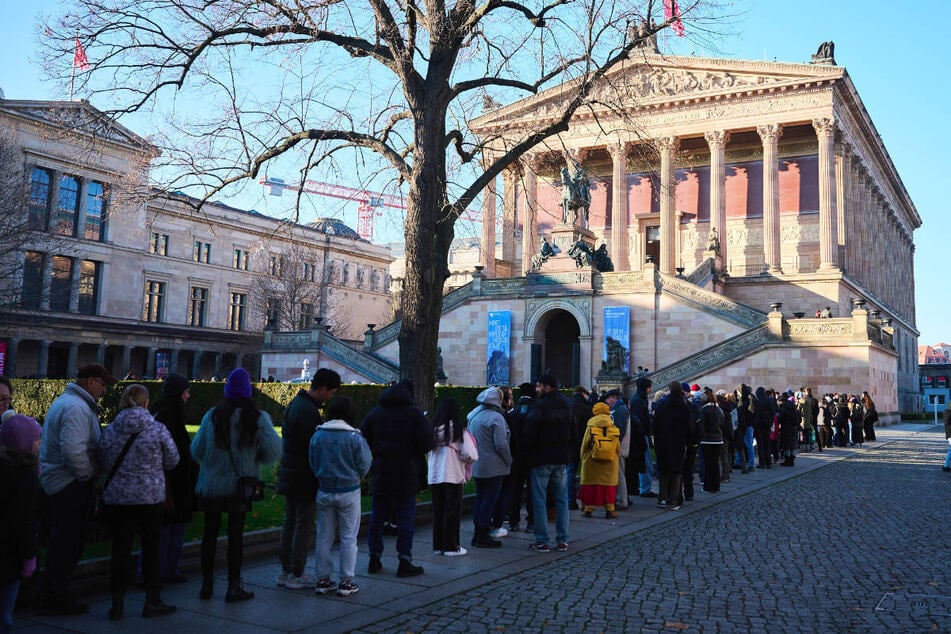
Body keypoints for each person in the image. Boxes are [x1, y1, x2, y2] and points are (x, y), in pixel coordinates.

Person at [191, 368, 281, 603]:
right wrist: (252, 459)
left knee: (209, 534)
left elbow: (196, 450)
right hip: (240, 485)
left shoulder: (212, 415)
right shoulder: (257, 418)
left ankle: (206, 584)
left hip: (211, 484)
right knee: (235, 536)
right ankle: (233, 586)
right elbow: (272, 452)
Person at [38, 362, 117, 615]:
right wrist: (87, 475)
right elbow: (72, 451)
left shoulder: (71, 403)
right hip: (69, 483)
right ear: (91, 381)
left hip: (62, 481)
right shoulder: (76, 408)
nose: (104, 390)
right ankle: (55, 597)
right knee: (67, 544)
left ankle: (54, 594)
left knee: (64, 542)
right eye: (103, 385)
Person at [99, 384, 179, 620]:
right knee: (151, 549)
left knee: (120, 550)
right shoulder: (157, 429)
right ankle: (152, 601)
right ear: (145, 403)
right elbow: (173, 460)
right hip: (149, 497)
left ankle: (117, 603)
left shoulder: (112, 429)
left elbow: (101, 459)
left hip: (118, 498)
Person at [276, 368, 340, 590]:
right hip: (303, 475)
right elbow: (313, 448)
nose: (330, 397)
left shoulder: (297, 404)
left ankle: (286, 570)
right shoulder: (308, 412)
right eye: (330, 392)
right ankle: (296, 571)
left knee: (290, 521)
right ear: (322, 389)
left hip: (291, 472)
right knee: (303, 523)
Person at [361, 380, 432, 577]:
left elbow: (363, 434)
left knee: (377, 517)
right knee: (405, 519)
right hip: (406, 472)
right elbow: (427, 443)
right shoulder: (414, 414)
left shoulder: (376, 413)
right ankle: (404, 559)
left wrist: (377, 449)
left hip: (382, 471)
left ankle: (374, 557)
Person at [310, 396, 372, 597]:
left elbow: (313, 461)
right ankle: (346, 580)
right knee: (348, 537)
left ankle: (323, 578)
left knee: (324, 537)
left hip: (325, 488)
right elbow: (364, 462)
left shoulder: (318, 436)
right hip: (348, 490)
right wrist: (355, 477)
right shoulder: (354, 437)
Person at [143, 373, 195, 584]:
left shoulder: (160, 410)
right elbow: (173, 453)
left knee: (168, 528)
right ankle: (158, 572)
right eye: (186, 391)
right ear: (178, 393)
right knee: (165, 530)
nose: (189, 396)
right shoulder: (168, 415)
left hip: (166, 479)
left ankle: (166, 570)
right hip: (169, 481)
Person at [523, 372, 575, 552]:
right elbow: (574, 432)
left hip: (542, 458)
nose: (537, 389)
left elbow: (529, 436)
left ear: (547, 387)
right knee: (561, 500)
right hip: (561, 458)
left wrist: (528, 454)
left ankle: (542, 540)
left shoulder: (539, 407)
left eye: (539, 386)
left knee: (539, 500)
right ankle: (562, 539)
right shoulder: (568, 404)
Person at [0, 415, 42, 633]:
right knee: (5, 613)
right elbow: (25, 520)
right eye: (37, 440)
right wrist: (30, 555)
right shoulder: (25, 475)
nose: (40, 444)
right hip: (12, 554)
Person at [428, 397, 477, 557]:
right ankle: (451, 546)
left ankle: (438, 545)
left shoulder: (433, 430)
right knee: (452, 512)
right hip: (453, 474)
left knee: (438, 511)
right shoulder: (458, 431)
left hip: (435, 476)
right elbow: (470, 454)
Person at [468, 387, 512, 548]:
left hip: (478, 463)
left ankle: (478, 532)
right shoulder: (496, 418)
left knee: (480, 498)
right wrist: (509, 460)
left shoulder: (474, 414)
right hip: (494, 465)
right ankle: (483, 534)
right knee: (489, 500)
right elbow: (501, 444)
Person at [578, 402, 620, 518]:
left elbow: (585, 445)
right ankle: (610, 510)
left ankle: (588, 509)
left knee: (591, 486)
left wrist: (583, 458)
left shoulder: (591, 425)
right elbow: (617, 447)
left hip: (592, 461)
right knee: (608, 487)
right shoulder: (613, 425)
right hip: (610, 462)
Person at [653, 381, 691, 509]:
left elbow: (655, 423)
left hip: (663, 441)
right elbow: (689, 426)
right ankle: (674, 500)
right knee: (676, 471)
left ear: (669, 389)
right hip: (678, 442)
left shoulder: (662, 404)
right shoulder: (684, 405)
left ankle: (662, 498)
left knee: (664, 471)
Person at [506, 383, 535, 532]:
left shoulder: (513, 412)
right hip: (532, 456)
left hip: (516, 457)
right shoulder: (536, 411)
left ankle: (513, 520)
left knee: (515, 489)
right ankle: (531, 521)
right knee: (533, 490)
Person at [629, 377, 657, 498]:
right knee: (646, 462)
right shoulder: (638, 400)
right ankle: (645, 488)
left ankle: (644, 486)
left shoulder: (639, 399)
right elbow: (640, 420)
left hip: (642, 434)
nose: (650, 389)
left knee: (645, 462)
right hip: (640, 435)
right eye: (649, 387)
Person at [603, 389, 630, 509]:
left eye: (608, 399)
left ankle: (621, 501)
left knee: (619, 474)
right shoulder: (619, 409)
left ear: (614, 398)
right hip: (617, 446)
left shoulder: (619, 410)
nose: (607, 402)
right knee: (618, 473)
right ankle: (620, 499)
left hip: (617, 447)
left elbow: (619, 430)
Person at [567, 387, 592, 511]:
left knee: (570, 472)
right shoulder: (587, 410)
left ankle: (570, 501)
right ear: (583, 394)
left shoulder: (568, 408)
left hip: (571, 445)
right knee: (586, 473)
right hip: (585, 445)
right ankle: (585, 501)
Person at [698, 388, 724, 492]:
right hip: (718, 440)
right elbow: (722, 424)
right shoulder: (719, 410)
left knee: (708, 464)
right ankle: (716, 486)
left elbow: (701, 426)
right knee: (715, 463)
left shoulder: (704, 410)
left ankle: (708, 487)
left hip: (707, 440)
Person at [942, 403, 951, 472]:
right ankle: (946, 466)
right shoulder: (948, 414)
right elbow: (948, 425)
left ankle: (946, 466)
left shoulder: (947, 414)